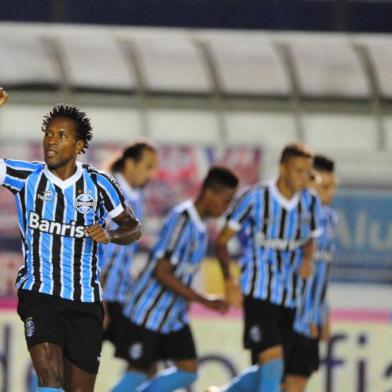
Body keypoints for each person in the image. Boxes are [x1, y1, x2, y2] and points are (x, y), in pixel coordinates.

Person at [0, 88, 141, 392]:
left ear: (78, 145)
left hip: (85, 302)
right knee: (50, 379)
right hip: (39, 295)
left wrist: (112, 234)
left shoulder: (100, 184)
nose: (51, 140)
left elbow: (133, 228)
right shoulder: (26, 177)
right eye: (48, 133)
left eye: (61, 135)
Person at [113, 166, 239, 392]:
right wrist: (204, 300)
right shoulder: (182, 220)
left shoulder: (201, 227)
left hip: (172, 316)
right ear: (209, 193)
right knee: (138, 373)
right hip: (146, 312)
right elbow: (162, 272)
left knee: (189, 370)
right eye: (226, 200)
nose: (226, 207)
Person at [213, 143, 321, 392]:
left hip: (291, 297)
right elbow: (222, 241)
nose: (304, 176)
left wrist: (307, 259)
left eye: (307, 171)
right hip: (258, 293)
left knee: (273, 371)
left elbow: (310, 238)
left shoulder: (310, 202)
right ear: (283, 168)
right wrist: (229, 282)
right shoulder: (254, 198)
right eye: (298, 170)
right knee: (272, 366)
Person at [285, 155, 337, 392]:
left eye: (333, 187)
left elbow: (322, 273)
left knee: (296, 382)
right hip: (292, 317)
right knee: (287, 381)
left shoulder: (330, 218)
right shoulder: (296, 215)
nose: (331, 193)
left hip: (312, 318)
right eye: (326, 186)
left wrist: (323, 315)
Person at [101, 142, 157, 342]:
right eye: (148, 167)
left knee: (144, 359)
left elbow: (119, 250)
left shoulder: (135, 196)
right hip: (100, 297)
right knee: (72, 362)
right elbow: (97, 250)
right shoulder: (108, 191)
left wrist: (129, 272)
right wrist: (99, 302)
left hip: (119, 294)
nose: (152, 175)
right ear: (130, 163)